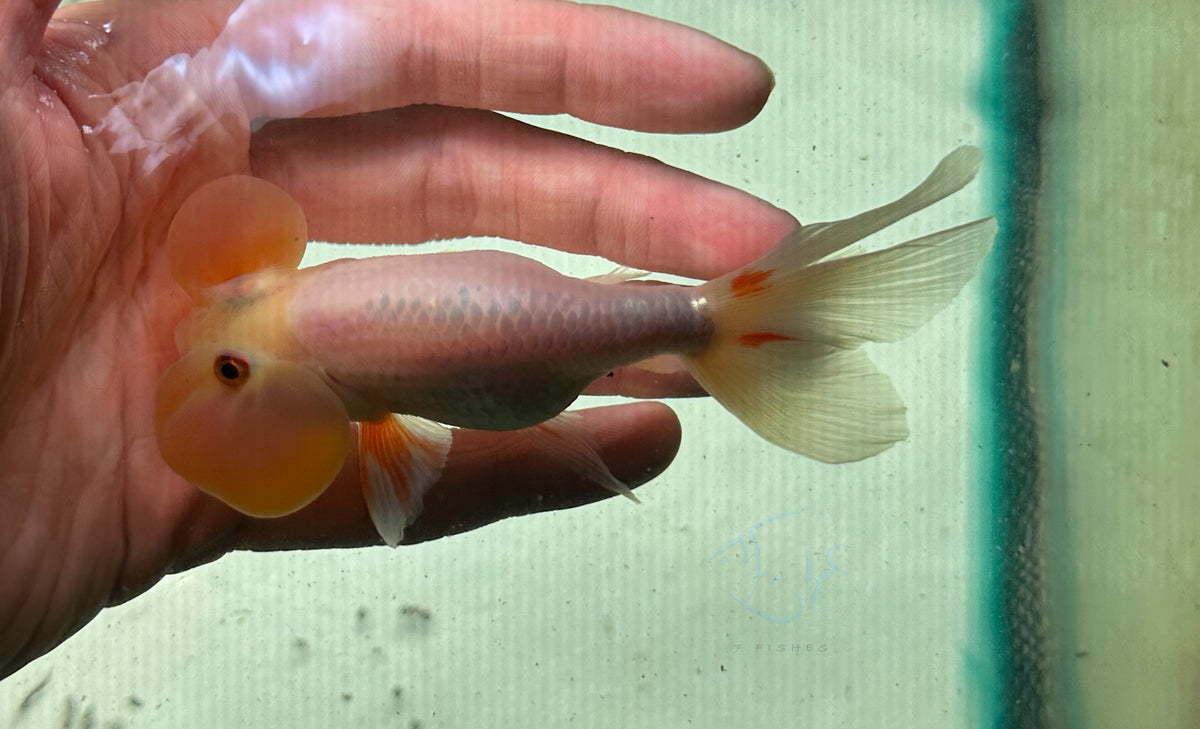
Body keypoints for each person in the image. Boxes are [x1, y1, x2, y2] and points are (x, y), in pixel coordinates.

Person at [0, 0, 797, 679]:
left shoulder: (349, 404)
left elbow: (395, 459)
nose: (207, 323)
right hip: (544, 342)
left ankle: (704, 321)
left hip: (526, 366)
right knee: (632, 319)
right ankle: (703, 319)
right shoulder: (314, 325)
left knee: (632, 328)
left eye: (235, 353)